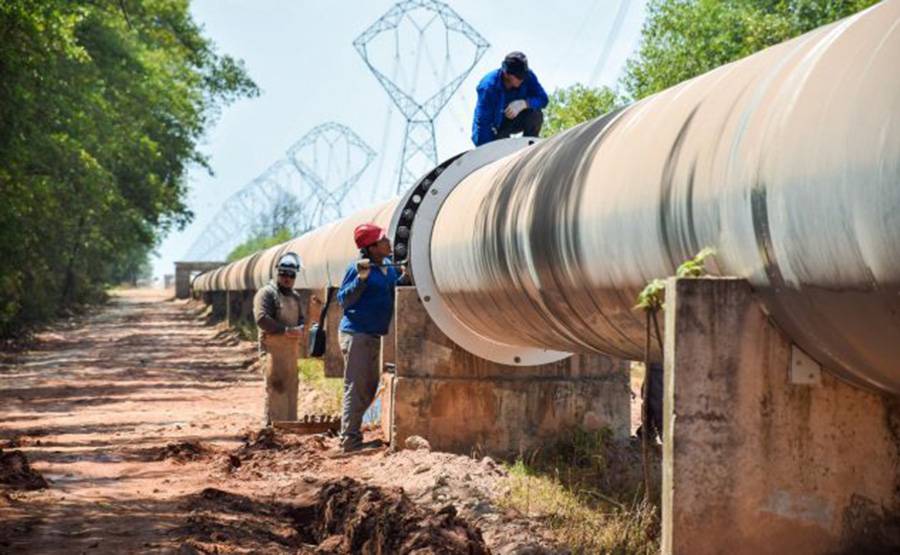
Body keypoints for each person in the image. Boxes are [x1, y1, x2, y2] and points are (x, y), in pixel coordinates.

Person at [336, 223, 405, 452]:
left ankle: (352, 435)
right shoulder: (357, 269)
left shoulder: (388, 267)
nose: (388, 243)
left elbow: (396, 285)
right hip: (356, 333)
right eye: (383, 240)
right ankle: (350, 441)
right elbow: (343, 300)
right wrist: (360, 279)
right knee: (356, 388)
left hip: (373, 334)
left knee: (368, 387)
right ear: (371, 247)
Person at [252, 252, 305, 426]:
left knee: (291, 389)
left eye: (291, 275)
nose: (287, 278)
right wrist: (285, 330)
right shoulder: (267, 294)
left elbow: (301, 319)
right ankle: (273, 428)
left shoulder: (295, 297)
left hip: (290, 352)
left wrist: (301, 328)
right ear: (277, 273)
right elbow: (261, 319)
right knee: (276, 388)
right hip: (273, 351)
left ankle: (289, 427)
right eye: (283, 273)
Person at [471, 51, 548, 146]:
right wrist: (486, 149)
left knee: (535, 115)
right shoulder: (488, 88)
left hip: (516, 120)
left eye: (523, 76)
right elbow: (483, 124)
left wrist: (525, 103)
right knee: (499, 148)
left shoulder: (528, 77)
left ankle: (529, 147)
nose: (522, 79)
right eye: (519, 77)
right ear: (506, 74)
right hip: (496, 129)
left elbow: (543, 99)